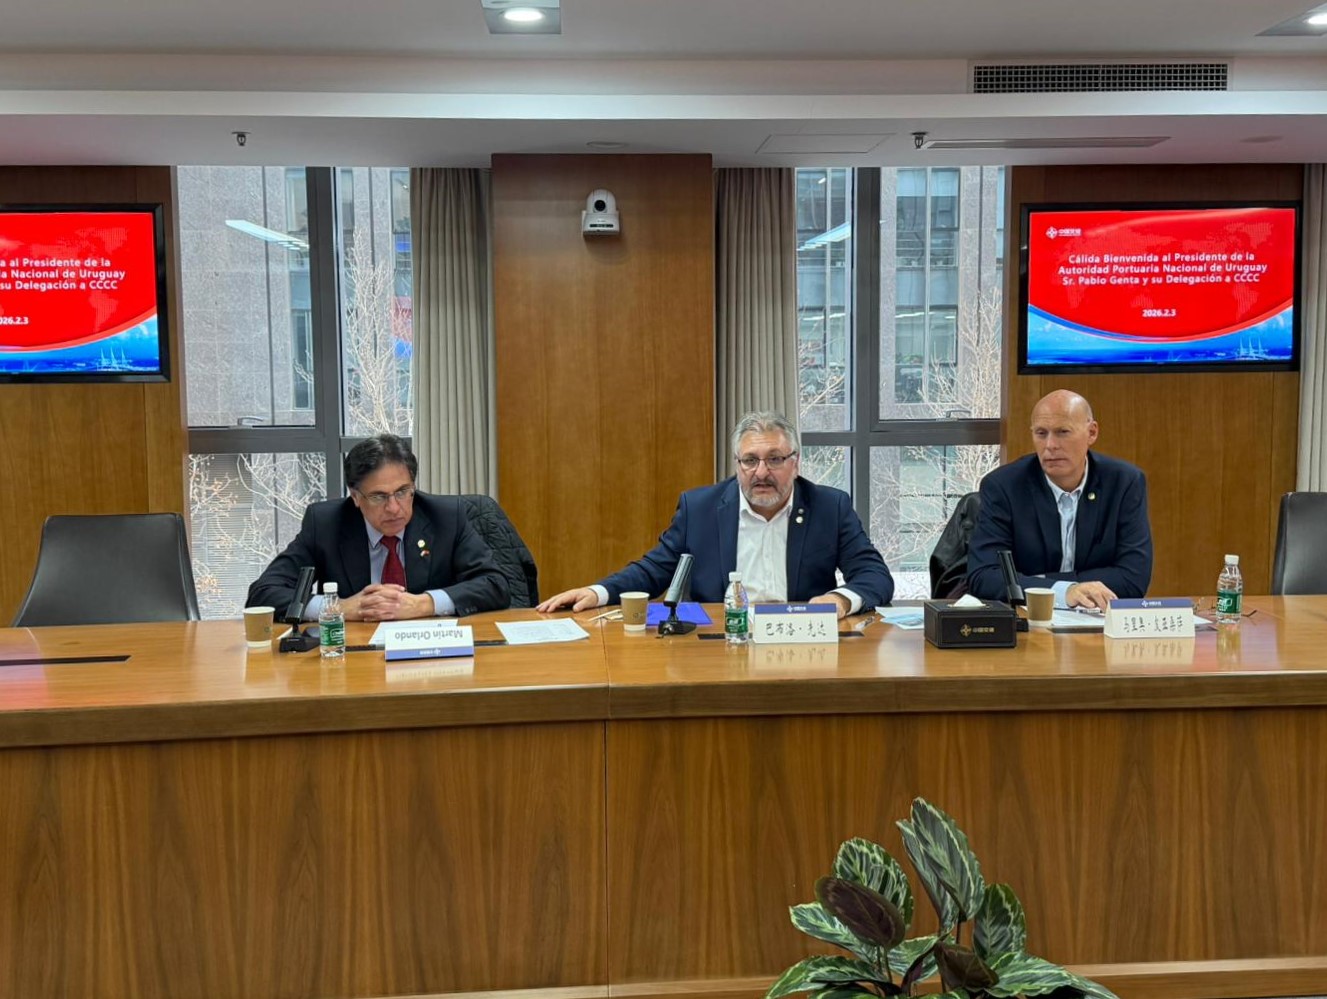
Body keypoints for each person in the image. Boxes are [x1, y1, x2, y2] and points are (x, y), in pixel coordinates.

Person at [535, 411, 893, 618]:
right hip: (720, 642)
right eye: (750, 460)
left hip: (799, 641)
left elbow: (874, 575)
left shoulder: (829, 506)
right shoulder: (700, 508)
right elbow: (654, 570)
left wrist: (839, 600)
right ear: (737, 464)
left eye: (774, 459)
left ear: (795, 463)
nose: (761, 472)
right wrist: (597, 591)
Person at [247, 434, 509, 620]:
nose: (394, 508)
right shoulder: (326, 524)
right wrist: (337, 608)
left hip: (430, 652)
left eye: (403, 492)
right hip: (354, 656)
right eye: (379, 497)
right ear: (356, 497)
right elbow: (263, 594)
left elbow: (495, 584)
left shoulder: (446, 517)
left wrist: (424, 604)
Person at [966, 390, 1152, 610]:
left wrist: (1042, 581)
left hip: (1097, 621)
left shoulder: (1124, 483)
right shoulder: (1004, 486)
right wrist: (1065, 591)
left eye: (1063, 432)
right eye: (1041, 433)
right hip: (1028, 620)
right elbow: (984, 576)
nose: (1050, 445)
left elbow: (1133, 578)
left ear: (1092, 432)